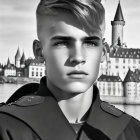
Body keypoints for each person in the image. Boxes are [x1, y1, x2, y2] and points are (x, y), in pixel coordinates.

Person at [0, 0, 140, 139]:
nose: (78, 57)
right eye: (63, 43)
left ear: (103, 52)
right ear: (39, 52)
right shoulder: (6, 127)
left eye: (90, 43)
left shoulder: (133, 132)